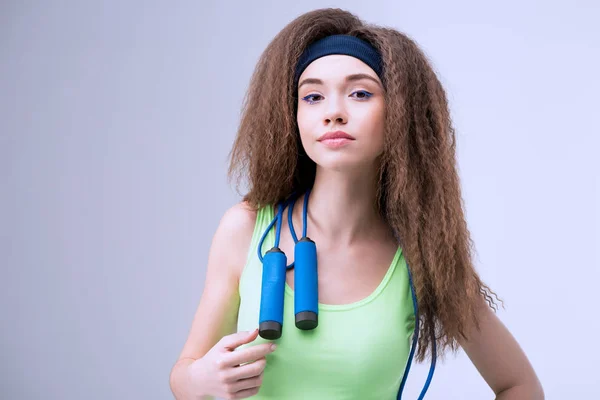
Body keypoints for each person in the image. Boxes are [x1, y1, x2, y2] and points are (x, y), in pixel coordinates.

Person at [169, 8, 544, 400]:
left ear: (400, 115)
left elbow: (519, 386)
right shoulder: (245, 229)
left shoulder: (423, 258)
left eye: (360, 93)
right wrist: (199, 381)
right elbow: (183, 374)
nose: (333, 113)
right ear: (292, 116)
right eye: (312, 96)